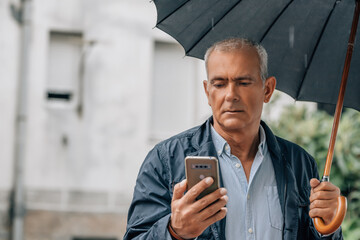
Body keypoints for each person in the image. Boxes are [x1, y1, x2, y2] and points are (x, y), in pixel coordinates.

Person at [123, 38, 343, 240]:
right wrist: (174, 231)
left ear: (267, 90)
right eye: (219, 84)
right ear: (207, 92)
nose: (231, 95)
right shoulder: (165, 160)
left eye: (244, 82)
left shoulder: (300, 164)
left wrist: (329, 226)